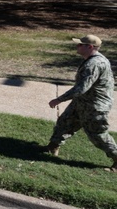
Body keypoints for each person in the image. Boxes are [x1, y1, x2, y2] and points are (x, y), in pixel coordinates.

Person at [43, 34, 117, 171]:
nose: (77, 46)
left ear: (90, 47)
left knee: (98, 135)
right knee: (64, 122)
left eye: (80, 44)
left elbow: (81, 88)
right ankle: (52, 147)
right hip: (82, 101)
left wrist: (58, 99)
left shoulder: (94, 64)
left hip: (95, 106)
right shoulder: (91, 59)